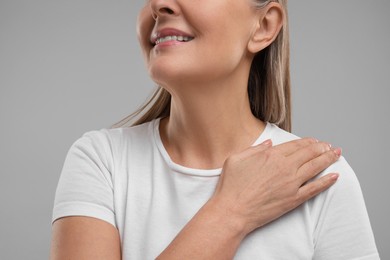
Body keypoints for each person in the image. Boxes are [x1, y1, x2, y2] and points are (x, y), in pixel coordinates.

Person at [50, 0, 379, 259]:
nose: (159, 4)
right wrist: (232, 211)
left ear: (263, 26)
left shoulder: (321, 179)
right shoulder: (99, 162)